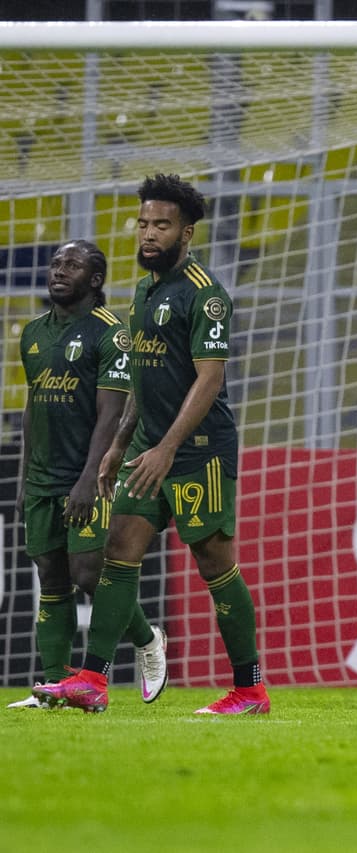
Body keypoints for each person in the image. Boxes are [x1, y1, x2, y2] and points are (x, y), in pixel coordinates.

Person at [36, 174, 270, 715]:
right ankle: (92, 680)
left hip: (200, 452)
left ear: (186, 233)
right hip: (147, 449)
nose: (147, 234)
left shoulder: (205, 294)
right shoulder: (144, 290)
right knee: (118, 551)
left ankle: (250, 688)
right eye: (143, 223)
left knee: (216, 566)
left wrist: (166, 448)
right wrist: (122, 442)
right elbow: (145, 375)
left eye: (160, 225)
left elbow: (208, 378)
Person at [8, 240, 168, 710]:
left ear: (95, 280)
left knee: (90, 573)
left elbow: (112, 414)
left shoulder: (111, 334)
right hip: (41, 477)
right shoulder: (33, 333)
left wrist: (87, 479)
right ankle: (53, 687)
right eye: (56, 263)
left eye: (73, 265)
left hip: (89, 476)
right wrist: (23, 479)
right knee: (51, 575)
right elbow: (33, 407)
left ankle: (148, 638)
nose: (59, 270)